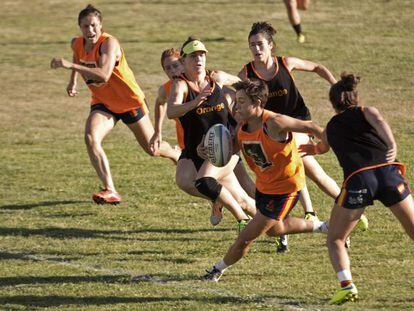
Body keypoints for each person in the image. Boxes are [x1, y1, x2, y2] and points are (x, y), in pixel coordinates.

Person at [299, 73, 414, 304]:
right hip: (389, 175)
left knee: (336, 239)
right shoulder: (366, 111)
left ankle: (346, 285)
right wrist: (391, 144)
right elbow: (380, 121)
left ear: (333, 103)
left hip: (359, 182)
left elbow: (322, 147)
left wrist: (312, 150)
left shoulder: (331, 126)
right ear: (355, 97)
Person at [50, 5, 180, 205]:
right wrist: (73, 80)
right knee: (91, 137)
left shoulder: (109, 44)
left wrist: (70, 66)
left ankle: (175, 152)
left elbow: (104, 74)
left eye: (94, 25)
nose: (90, 30)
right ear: (80, 27)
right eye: (85, 27)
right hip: (103, 103)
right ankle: (110, 189)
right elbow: (79, 56)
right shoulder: (76, 43)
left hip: (129, 102)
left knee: (152, 150)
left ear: (101, 25)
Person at [203, 78, 329, 282]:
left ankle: (216, 270)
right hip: (264, 187)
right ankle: (323, 226)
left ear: (258, 103)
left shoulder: (274, 122)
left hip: (285, 190)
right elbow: (232, 151)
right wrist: (211, 151)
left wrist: (320, 148)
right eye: (236, 101)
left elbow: (311, 126)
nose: (236, 106)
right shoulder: (242, 126)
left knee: (245, 238)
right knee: (275, 230)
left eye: (242, 102)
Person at [238, 21, 345, 252]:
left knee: (303, 167)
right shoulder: (246, 74)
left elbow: (317, 67)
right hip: (270, 132)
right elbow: (238, 98)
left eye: (260, 44)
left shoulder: (286, 63)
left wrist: (335, 85)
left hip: (297, 126)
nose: (256, 49)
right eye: (252, 45)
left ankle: (338, 208)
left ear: (271, 46)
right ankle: (292, 225)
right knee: (304, 173)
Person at [152, 48, 255, 226]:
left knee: (242, 193)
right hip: (195, 146)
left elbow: (234, 89)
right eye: (167, 68)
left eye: (176, 65)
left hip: (222, 143)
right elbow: (161, 104)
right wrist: (157, 131)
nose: (173, 71)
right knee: (185, 181)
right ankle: (219, 199)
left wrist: (242, 99)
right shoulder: (170, 89)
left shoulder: (211, 80)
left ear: (184, 63)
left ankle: (271, 218)